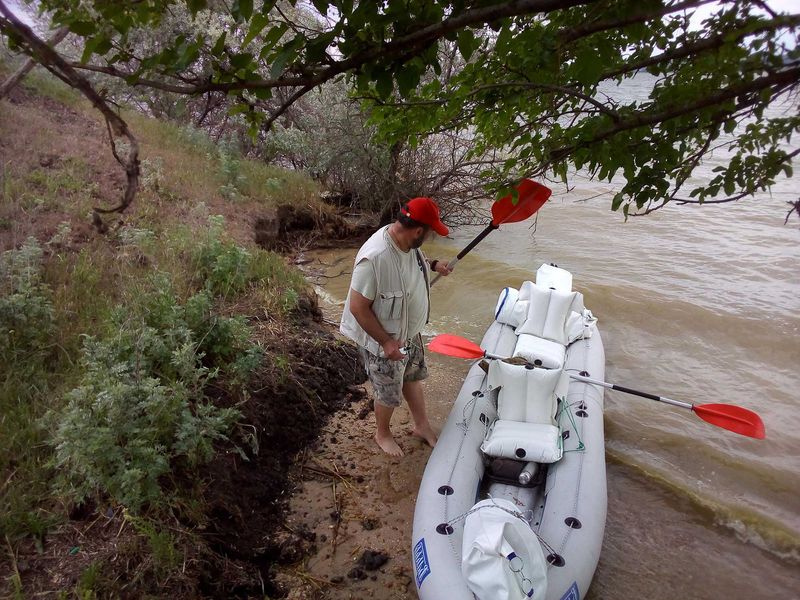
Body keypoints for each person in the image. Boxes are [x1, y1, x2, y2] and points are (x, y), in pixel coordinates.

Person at [340, 197, 453, 457]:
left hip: (408, 332)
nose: (431, 237)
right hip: (383, 339)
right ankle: (382, 433)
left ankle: (421, 426)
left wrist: (435, 265)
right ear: (417, 231)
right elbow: (358, 307)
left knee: (412, 376)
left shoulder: (407, 242)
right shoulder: (375, 258)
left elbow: (417, 258)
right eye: (430, 233)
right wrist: (386, 342)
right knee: (388, 392)